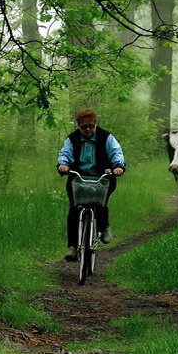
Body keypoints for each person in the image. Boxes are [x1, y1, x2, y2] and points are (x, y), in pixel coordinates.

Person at [56, 108, 126, 261]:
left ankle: (104, 227)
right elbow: (65, 154)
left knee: (100, 205)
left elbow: (116, 152)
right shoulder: (72, 139)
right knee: (74, 210)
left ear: (95, 124)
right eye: (84, 127)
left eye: (91, 126)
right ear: (79, 126)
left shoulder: (106, 137)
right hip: (78, 179)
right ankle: (74, 247)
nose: (88, 130)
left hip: (103, 178)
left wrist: (118, 166)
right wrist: (63, 165)